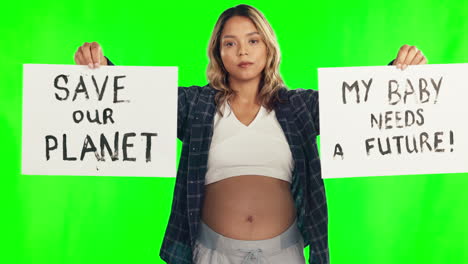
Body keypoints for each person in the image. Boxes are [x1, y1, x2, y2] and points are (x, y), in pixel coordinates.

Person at [74, 4, 427, 264]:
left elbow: (359, 108)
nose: (242, 50)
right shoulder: (195, 104)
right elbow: (139, 103)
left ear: (268, 48)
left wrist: (398, 75)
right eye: (230, 43)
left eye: (252, 40)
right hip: (210, 253)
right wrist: (104, 71)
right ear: (218, 52)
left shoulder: (300, 107)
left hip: (285, 252)